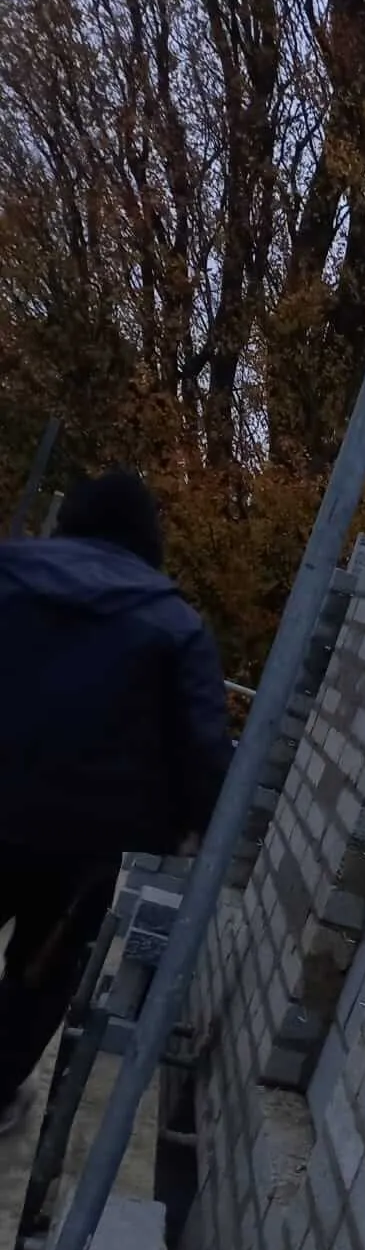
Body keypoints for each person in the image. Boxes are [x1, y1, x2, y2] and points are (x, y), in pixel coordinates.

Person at [0, 469, 232, 1134]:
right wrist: (196, 827)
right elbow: (204, 750)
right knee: (38, 977)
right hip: (75, 847)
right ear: (147, 543)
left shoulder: (7, 572)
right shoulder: (174, 624)